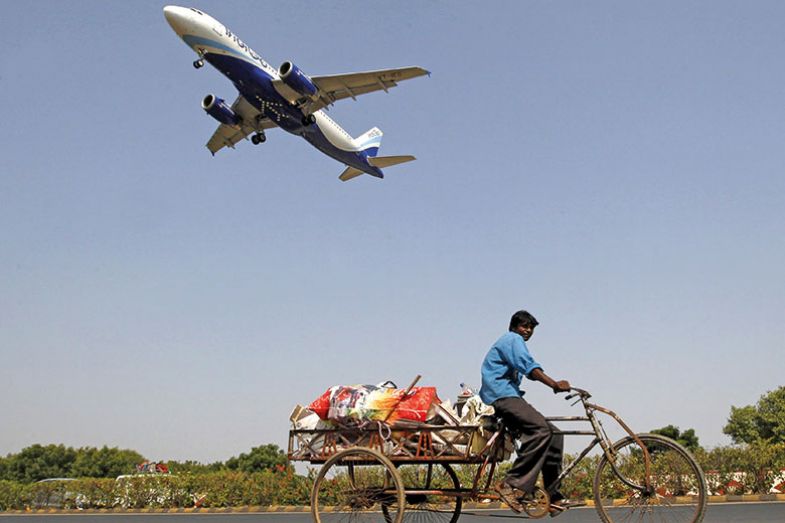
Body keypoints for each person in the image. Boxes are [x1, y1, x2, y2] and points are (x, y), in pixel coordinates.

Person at [480, 310, 572, 516]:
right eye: (524, 326)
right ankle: (511, 484)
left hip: (510, 396)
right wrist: (554, 384)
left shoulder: (514, 342)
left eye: (531, 328)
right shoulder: (512, 339)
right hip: (501, 397)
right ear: (514, 327)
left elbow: (526, 370)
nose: (528, 331)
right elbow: (529, 367)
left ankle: (552, 495)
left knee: (555, 434)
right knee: (540, 430)